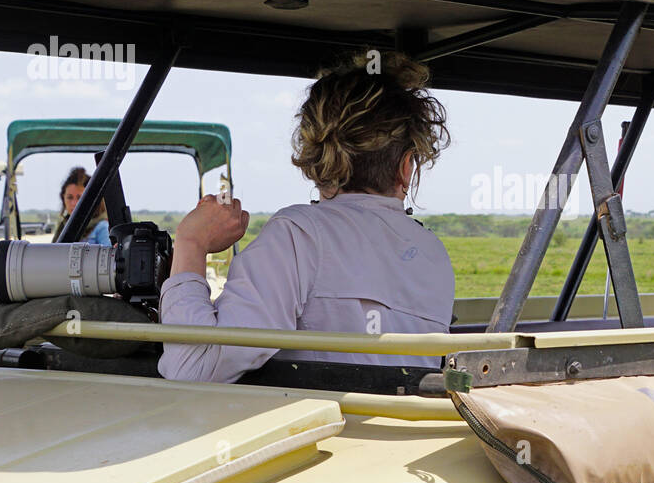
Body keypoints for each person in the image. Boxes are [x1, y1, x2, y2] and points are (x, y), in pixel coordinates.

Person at [158, 50, 456, 383]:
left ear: (316, 161)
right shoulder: (434, 254)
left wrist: (191, 243)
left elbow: (191, 370)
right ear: (406, 166)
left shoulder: (299, 235)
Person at [52, 167, 111, 245]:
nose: (74, 203)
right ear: (63, 199)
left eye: (80, 198)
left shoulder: (102, 228)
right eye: (70, 197)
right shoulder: (64, 227)